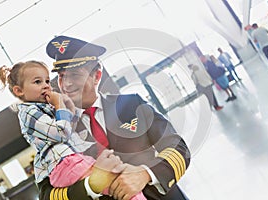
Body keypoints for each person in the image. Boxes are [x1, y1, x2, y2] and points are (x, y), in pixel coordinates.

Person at [36, 35, 191, 200]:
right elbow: (47, 195)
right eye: (61, 76)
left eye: (74, 75)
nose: (66, 84)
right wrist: (90, 186)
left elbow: (177, 147)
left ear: (96, 75)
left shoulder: (132, 104)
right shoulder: (51, 128)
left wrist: (146, 173)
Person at [0, 61, 145, 199]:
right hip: (66, 163)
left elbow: (69, 127)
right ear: (19, 91)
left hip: (73, 161)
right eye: (37, 82)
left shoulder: (129, 104)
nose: (46, 86)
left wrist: (66, 105)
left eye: (47, 81)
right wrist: (60, 107)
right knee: (118, 180)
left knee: (122, 175)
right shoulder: (29, 112)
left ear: (96, 76)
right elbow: (62, 133)